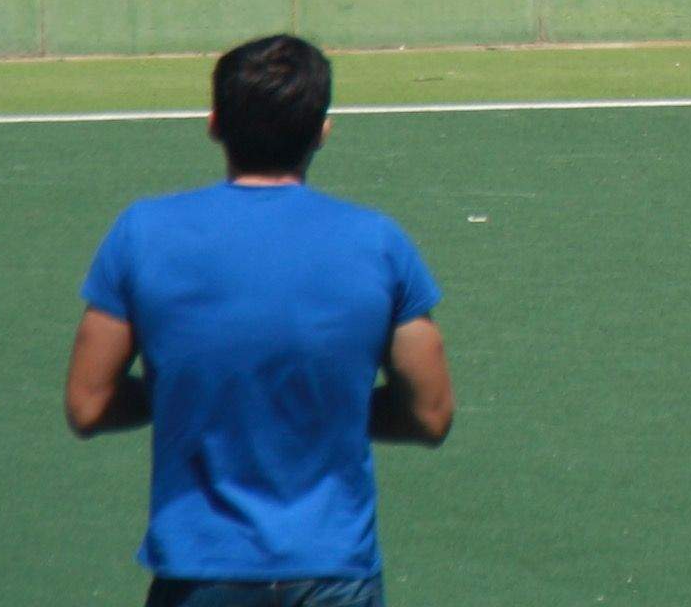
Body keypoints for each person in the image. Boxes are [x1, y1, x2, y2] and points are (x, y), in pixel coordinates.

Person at [65, 36, 454, 603]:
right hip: (334, 576)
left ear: (215, 124)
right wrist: (321, 404)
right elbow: (431, 414)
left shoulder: (141, 234)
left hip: (200, 575)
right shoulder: (379, 244)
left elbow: (87, 403)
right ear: (321, 131)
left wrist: (198, 394)